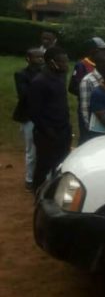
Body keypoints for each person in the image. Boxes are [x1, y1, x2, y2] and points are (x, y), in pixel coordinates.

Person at [28, 47, 71, 191]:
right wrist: (48, 130)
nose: (66, 65)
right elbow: (34, 112)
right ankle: (38, 192)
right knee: (44, 165)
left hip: (63, 128)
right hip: (47, 133)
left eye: (66, 61)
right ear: (51, 62)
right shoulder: (39, 81)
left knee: (62, 163)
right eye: (62, 62)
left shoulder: (60, 77)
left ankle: (55, 191)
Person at [13, 48, 45, 190]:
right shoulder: (21, 74)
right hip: (29, 116)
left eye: (42, 57)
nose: (40, 59)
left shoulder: (45, 73)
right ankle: (30, 179)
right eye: (36, 57)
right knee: (31, 150)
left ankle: (42, 178)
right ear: (28, 58)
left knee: (45, 148)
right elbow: (24, 95)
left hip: (45, 115)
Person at [69, 37, 105, 144]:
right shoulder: (82, 65)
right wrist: (88, 93)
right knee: (86, 136)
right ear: (94, 51)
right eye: (102, 50)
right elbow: (72, 87)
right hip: (87, 105)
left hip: (101, 106)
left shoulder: (104, 64)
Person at [79, 52, 105, 143]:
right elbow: (85, 106)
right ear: (100, 64)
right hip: (95, 126)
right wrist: (89, 127)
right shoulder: (88, 80)